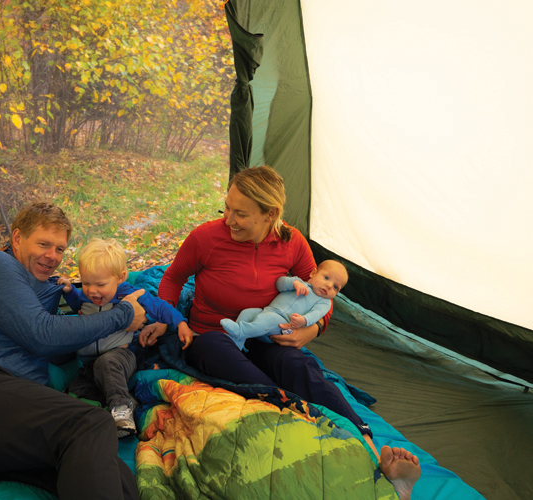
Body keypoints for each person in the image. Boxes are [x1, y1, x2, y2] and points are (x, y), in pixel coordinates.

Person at [138, 166, 421, 499]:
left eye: (240, 214)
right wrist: (164, 315)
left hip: (268, 335)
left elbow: (321, 296)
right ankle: (293, 413)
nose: (228, 219)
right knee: (227, 355)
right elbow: (172, 278)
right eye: (226, 208)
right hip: (212, 334)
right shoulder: (206, 238)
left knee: (299, 366)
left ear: (269, 214)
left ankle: (369, 447)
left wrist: (312, 331)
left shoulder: (292, 243)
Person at [0, 202, 147, 500]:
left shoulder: (43, 289)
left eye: (60, 249)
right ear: (17, 239)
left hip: (0, 420)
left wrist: (145, 328)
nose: (52, 256)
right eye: (43, 244)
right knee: (91, 422)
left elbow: (59, 345)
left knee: (115, 473)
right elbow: (42, 336)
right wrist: (123, 314)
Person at [57, 238, 193, 438]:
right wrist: (70, 292)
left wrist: (180, 322)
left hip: (121, 356)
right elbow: (79, 303)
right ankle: (125, 403)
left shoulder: (130, 295)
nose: (92, 290)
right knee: (77, 389)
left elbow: (160, 307)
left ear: (120, 277)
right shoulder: (88, 295)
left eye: (100, 284)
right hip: (89, 364)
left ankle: (122, 412)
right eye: (86, 283)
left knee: (108, 363)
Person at [220, 260, 348, 351]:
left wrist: (303, 321)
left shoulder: (324, 302)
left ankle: (241, 331)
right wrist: (293, 283)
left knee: (268, 319)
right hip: (266, 311)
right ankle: (237, 342)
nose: (329, 285)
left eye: (336, 287)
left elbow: (315, 315)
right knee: (247, 313)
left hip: (283, 326)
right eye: (326, 278)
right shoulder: (299, 282)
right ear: (313, 273)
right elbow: (279, 284)